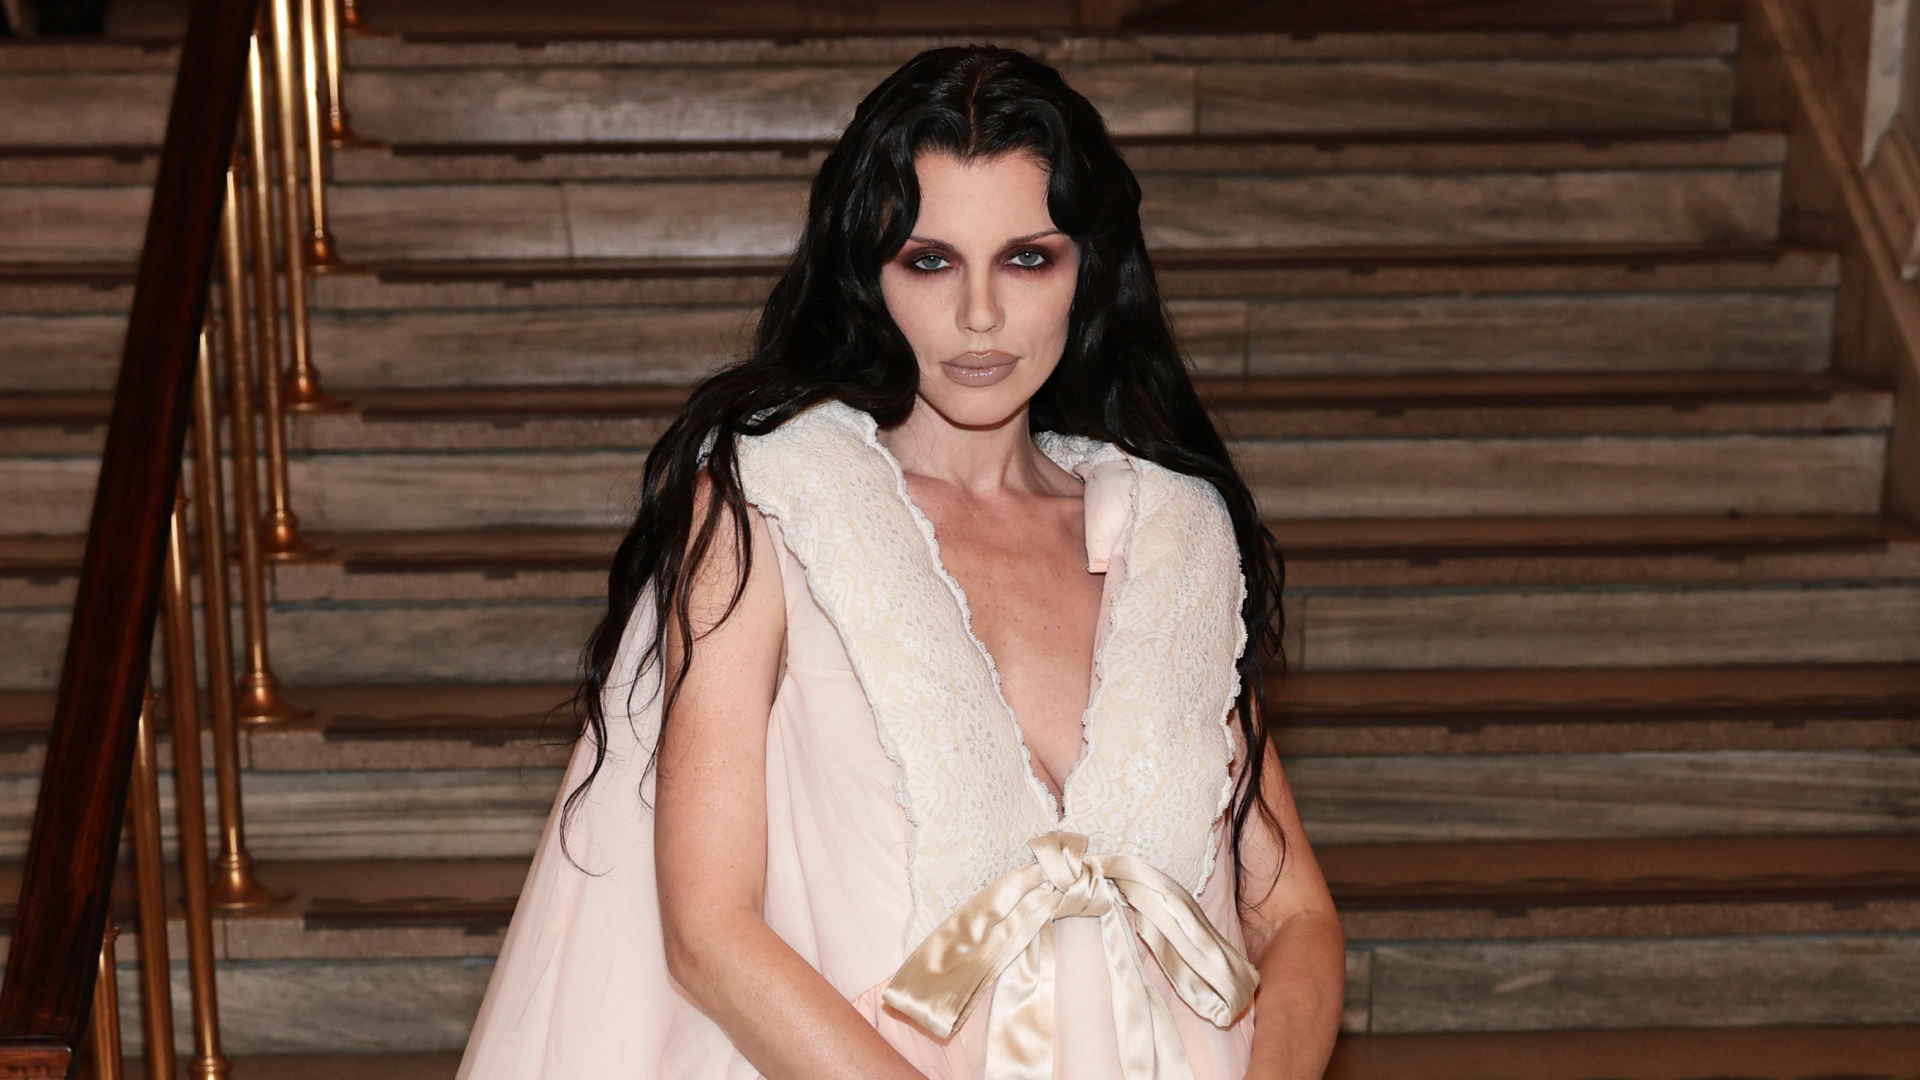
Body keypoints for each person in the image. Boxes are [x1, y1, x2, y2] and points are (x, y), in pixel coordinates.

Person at [459, 44, 1345, 1080]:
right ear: (869, 274)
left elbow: (1295, 914)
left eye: (1027, 257)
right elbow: (707, 932)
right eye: (929, 260)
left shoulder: (1175, 534)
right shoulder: (774, 510)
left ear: (1089, 272)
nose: (978, 314)